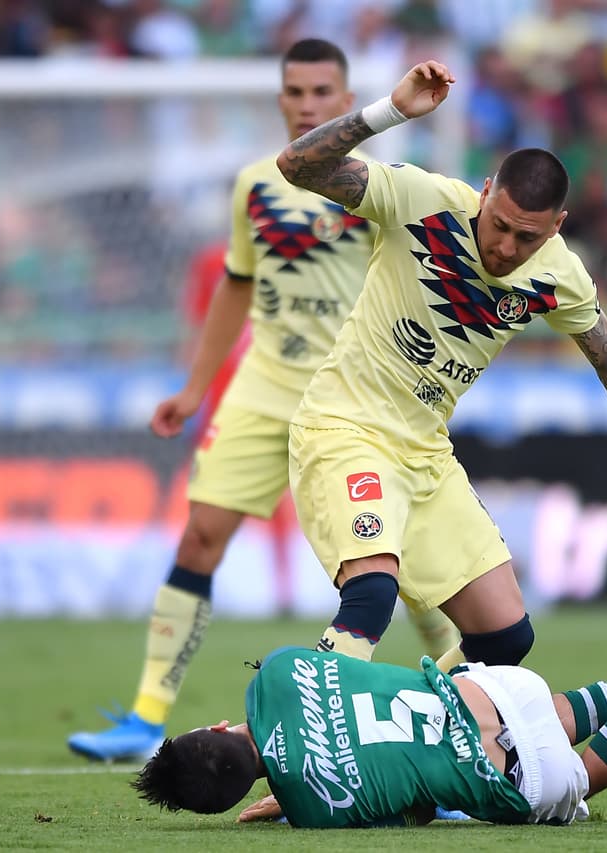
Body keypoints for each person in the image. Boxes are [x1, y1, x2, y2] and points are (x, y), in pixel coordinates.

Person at [67, 40, 459, 763]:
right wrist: (194, 387)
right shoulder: (255, 184)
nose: (307, 103)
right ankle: (145, 718)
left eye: (321, 91)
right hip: (265, 386)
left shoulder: (381, 186)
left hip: (358, 398)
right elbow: (238, 285)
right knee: (198, 538)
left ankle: (467, 713)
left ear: (346, 99)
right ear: (280, 99)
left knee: (407, 571)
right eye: (295, 91)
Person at [272, 60, 607, 667]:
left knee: (505, 639)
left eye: (527, 237)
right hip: (345, 432)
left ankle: (406, 734)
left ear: (557, 227)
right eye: (498, 224)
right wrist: (389, 112)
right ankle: (297, 733)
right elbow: (297, 165)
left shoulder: (559, 275)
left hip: (424, 457)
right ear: (484, 194)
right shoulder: (420, 200)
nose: (504, 246)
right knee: (371, 596)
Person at [132, 614, 607, 826]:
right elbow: (348, 680)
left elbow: (412, 809)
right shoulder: (274, 670)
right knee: (539, 712)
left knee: (575, 772)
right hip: (499, 689)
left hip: (514, 775)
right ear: (214, 729)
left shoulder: (312, 807)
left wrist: (291, 795)